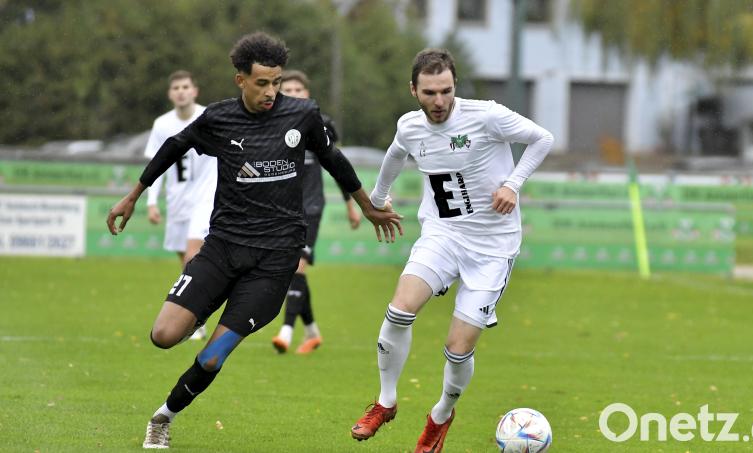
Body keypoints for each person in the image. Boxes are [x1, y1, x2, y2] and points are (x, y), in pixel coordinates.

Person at [106, 31, 402, 449]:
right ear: (240, 80)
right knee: (163, 335)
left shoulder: (302, 115)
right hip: (223, 247)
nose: (271, 92)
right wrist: (133, 195)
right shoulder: (220, 119)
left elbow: (334, 159)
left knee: (211, 356)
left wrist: (367, 205)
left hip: (275, 259)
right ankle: (200, 312)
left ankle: (162, 417)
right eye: (261, 82)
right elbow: (175, 145)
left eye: (276, 82)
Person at [349, 48, 553, 452]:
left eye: (446, 91)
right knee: (399, 308)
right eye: (429, 92)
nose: (439, 101)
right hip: (442, 235)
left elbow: (542, 138)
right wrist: (377, 197)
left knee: (459, 350)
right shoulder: (410, 126)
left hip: (493, 248)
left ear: (454, 86)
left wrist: (513, 184)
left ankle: (440, 416)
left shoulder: (486, 115)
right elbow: (394, 154)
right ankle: (385, 402)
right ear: (414, 90)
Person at [271, 69, 361, 355]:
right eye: (290, 90)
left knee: (297, 265)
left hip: (311, 206)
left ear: (308, 94)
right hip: (282, 208)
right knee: (291, 268)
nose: (295, 95)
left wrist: (350, 204)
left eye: (300, 90)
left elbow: (337, 166)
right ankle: (312, 332)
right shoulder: (272, 123)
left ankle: (285, 331)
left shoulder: (322, 125)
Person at [144, 70, 215, 340]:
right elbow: (156, 166)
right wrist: (152, 202)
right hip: (177, 202)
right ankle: (194, 317)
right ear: (170, 94)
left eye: (186, 86)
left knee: (192, 258)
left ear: (194, 90)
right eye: (176, 87)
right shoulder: (162, 124)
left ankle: (191, 321)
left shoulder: (209, 117)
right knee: (185, 266)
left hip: (206, 199)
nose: (181, 91)